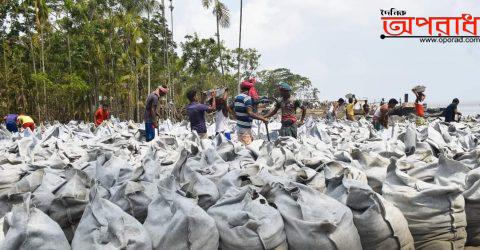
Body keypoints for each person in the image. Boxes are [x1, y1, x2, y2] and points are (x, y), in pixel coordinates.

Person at [232, 81, 268, 145]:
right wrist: (262, 119)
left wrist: (234, 114)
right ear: (249, 89)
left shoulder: (237, 97)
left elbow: (229, 107)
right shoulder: (247, 98)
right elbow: (250, 113)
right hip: (245, 128)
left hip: (239, 126)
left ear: (241, 89)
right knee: (246, 148)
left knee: (242, 145)